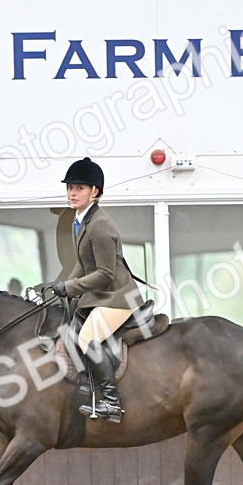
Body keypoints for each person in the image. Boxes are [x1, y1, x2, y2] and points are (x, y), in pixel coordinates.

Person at [47, 158, 141, 423]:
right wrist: (67, 289)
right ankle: (88, 384)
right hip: (100, 296)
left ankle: (111, 401)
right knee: (70, 327)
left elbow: (105, 274)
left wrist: (70, 286)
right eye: (70, 188)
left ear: (95, 192)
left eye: (79, 188)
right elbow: (82, 263)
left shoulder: (100, 226)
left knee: (88, 338)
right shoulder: (81, 220)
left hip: (117, 298)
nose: (72, 193)